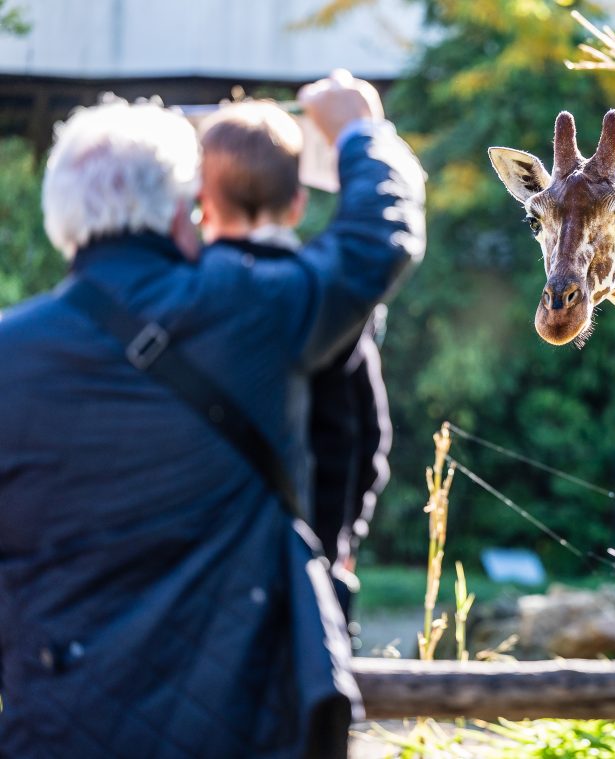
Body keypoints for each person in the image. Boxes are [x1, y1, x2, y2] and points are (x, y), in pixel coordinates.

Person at [0, 71, 425, 758]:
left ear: (60, 219)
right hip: (246, 722)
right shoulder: (249, 307)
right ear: (183, 212)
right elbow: (379, 240)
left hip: (53, 726)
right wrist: (360, 132)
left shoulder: (9, 355)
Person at [195, 101, 393, 621]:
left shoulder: (180, 297)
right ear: (299, 204)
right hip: (310, 556)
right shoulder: (325, 304)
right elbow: (366, 435)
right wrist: (345, 534)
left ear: (203, 205)